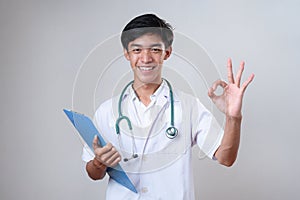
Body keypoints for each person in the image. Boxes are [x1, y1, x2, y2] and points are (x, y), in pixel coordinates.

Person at [82, 13, 254, 199]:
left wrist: (233, 117)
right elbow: (94, 174)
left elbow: (226, 158)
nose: (146, 58)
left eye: (155, 49)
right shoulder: (107, 111)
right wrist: (99, 163)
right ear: (127, 54)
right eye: (137, 50)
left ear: (167, 53)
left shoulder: (189, 107)